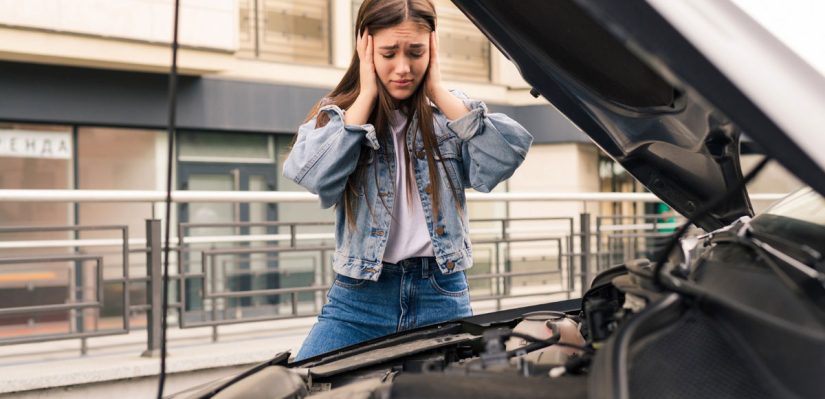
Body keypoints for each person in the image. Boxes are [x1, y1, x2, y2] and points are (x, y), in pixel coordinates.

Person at [284, 0, 532, 361]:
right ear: (366, 48)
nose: (403, 68)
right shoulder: (341, 115)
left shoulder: (450, 114)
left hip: (441, 294)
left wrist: (438, 91)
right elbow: (313, 176)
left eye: (416, 52)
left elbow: (505, 155)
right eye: (388, 53)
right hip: (359, 300)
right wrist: (366, 95)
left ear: (432, 48)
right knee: (306, 378)